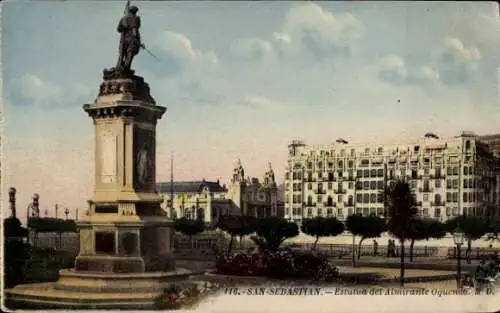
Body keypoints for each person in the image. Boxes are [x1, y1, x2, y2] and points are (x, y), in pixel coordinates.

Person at [116, 5, 142, 71]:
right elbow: (134, 29)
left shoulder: (123, 18)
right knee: (130, 53)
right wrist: (136, 39)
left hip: (123, 39)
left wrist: (124, 28)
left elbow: (118, 29)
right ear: (135, 12)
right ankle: (126, 68)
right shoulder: (136, 18)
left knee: (122, 53)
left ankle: (120, 66)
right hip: (132, 39)